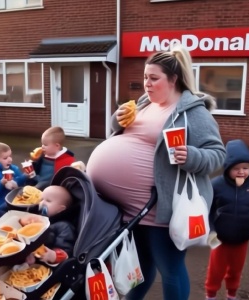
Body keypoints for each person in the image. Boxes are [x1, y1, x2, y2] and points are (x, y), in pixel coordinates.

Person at [86, 45, 226, 299]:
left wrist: (192, 156)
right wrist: (116, 120)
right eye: (145, 77)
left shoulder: (193, 112)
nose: (146, 84)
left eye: (154, 78)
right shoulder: (143, 104)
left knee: (170, 269)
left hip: (160, 211)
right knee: (141, 266)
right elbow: (117, 134)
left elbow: (217, 154)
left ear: (173, 80)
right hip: (132, 210)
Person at [204, 139, 249, 300]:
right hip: (218, 238)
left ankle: (232, 294)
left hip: (243, 238)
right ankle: (211, 294)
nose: (242, 172)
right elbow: (206, 210)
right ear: (227, 168)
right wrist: (210, 231)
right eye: (236, 168)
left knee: (236, 269)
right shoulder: (216, 185)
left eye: (245, 168)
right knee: (215, 270)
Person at [26, 185, 77, 265]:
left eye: (48, 201)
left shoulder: (64, 226)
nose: (42, 203)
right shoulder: (38, 218)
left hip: (46, 264)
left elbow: (66, 250)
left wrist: (54, 255)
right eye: (42, 199)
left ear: (60, 209)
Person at [0, 142, 28, 212]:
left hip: (15, 200)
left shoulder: (14, 168)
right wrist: (1, 183)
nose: (10, 159)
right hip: (0, 205)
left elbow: (20, 183)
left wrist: (25, 176)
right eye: (5, 158)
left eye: (10, 156)